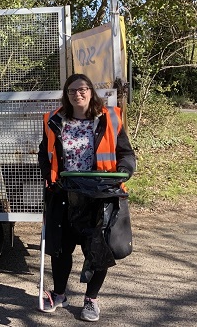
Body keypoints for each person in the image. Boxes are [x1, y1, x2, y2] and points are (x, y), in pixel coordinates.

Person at [38, 73, 136, 322]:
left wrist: (125, 170)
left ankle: (91, 300)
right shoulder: (53, 120)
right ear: (66, 94)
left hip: (99, 195)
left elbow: (125, 153)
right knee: (60, 250)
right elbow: (43, 154)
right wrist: (49, 178)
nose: (77, 94)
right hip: (64, 195)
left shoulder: (110, 118)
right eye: (72, 91)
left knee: (98, 250)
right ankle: (59, 295)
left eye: (82, 89)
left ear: (91, 92)